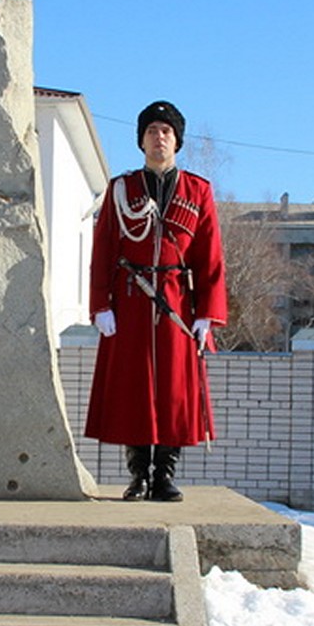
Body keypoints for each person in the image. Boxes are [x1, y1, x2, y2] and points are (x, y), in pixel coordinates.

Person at [85, 99, 227, 502]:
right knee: (135, 390)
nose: (158, 137)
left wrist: (207, 315)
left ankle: (164, 475)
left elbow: (210, 258)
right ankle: (138, 476)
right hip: (130, 301)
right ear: (141, 141)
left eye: (165, 131)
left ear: (177, 141)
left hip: (176, 305)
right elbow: (104, 251)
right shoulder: (121, 189)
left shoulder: (198, 191)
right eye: (151, 131)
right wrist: (101, 305)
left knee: (173, 392)